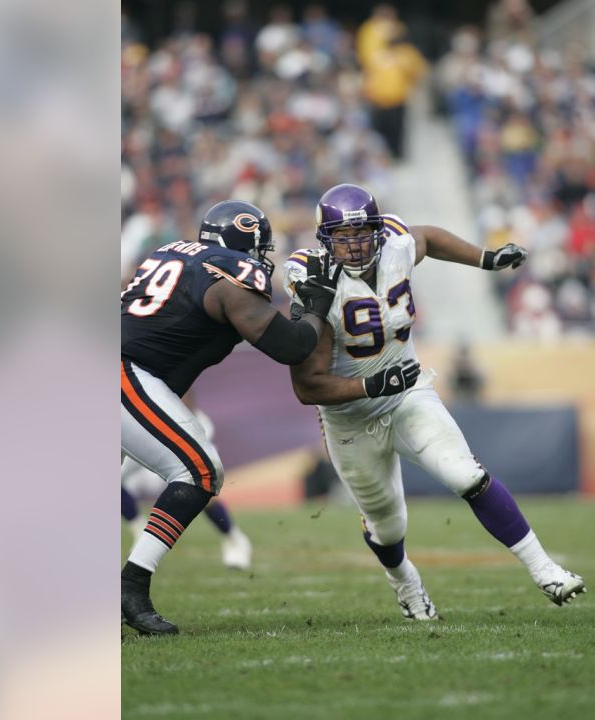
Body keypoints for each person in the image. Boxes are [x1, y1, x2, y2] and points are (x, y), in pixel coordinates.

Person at [283, 184, 586, 620]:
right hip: (348, 418)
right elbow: (307, 387)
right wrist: (373, 385)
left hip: (407, 392)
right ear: (325, 240)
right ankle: (405, 584)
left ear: (377, 231)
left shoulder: (396, 244)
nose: (354, 245)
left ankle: (545, 570)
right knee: (389, 526)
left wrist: (486, 258)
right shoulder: (314, 283)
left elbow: (429, 237)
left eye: (362, 234)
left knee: (467, 475)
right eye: (342, 238)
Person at [121, 199, 412, 635]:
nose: (261, 260)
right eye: (260, 249)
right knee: (199, 471)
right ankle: (131, 587)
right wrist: (315, 307)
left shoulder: (173, 255)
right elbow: (291, 348)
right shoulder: (232, 275)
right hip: (124, 373)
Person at [121, 402, 253, 571]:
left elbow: (183, 391)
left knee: (200, 487)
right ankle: (139, 531)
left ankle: (233, 538)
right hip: (139, 426)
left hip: (177, 423)